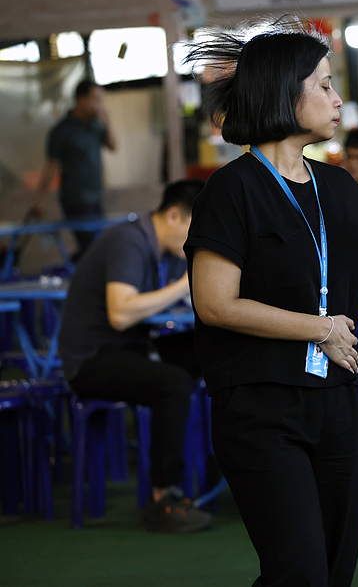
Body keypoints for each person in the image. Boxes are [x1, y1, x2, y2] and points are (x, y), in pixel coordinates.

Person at [183, 21, 358, 587]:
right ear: (285, 94)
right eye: (324, 86)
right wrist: (317, 328)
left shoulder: (341, 188)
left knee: (331, 571)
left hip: (339, 401)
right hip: (260, 407)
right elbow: (214, 304)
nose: (338, 99)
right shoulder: (231, 191)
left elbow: (351, 296)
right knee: (297, 572)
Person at [57, 178, 211, 533]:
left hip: (134, 346)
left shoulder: (163, 250)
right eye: (196, 226)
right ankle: (164, 498)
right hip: (92, 358)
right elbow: (121, 313)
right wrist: (182, 286)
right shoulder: (129, 240)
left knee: (213, 352)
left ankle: (220, 462)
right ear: (174, 216)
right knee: (172, 383)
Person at [30, 79, 117, 257]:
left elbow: (113, 146)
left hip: (96, 195)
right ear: (81, 100)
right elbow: (51, 166)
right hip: (76, 198)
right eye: (96, 100)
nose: (98, 105)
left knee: (95, 244)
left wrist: (107, 121)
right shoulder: (62, 131)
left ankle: (79, 268)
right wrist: (38, 200)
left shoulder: (94, 125)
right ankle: (78, 271)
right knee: (92, 246)